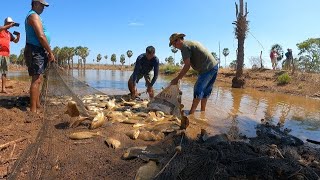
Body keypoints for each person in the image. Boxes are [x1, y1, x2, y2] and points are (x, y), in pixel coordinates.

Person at [169, 33, 219, 115]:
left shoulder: (184, 46)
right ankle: (203, 112)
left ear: (178, 40)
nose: (174, 46)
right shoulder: (189, 43)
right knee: (206, 91)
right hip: (214, 66)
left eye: (174, 44)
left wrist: (177, 79)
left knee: (198, 89)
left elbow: (187, 65)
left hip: (206, 69)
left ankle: (191, 114)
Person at [24, 0, 55, 113]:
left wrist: (45, 49)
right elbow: (41, 36)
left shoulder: (35, 16)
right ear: (36, 4)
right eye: (42, 5)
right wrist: (50, 52)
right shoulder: (33, 16)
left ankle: (37, 105)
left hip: (37, 49)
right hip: (34, 50)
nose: (43, 8)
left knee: (38, 79)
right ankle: (33, 110)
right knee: (36, 80)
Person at [0, 17, 20, 93]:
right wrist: (10, 25)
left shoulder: (9, 34)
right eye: (10, 23)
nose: (11, 25)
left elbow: (15, 41)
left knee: (4, 72)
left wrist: (18, 37)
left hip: (6, 55)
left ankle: (3, 89)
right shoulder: (1, 29)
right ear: (6, 23)